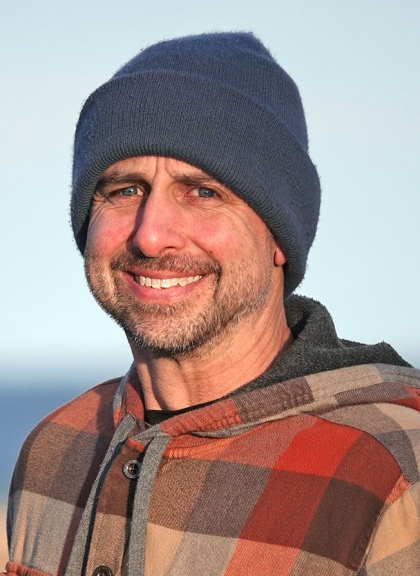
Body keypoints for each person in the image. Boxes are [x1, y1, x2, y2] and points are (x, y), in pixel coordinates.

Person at [5, 32, 420, 576]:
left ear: (279, 237)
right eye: (125, 190)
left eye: (203, 192)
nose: (151, 236)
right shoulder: (56, 449)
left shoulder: (390, 473)